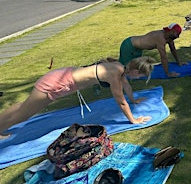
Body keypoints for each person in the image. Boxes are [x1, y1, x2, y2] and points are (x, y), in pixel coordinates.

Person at [0, 56, 156, 139]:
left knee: (23, 107)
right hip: (56, 84)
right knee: (25, 113)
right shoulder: (115, 74)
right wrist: (133, 120)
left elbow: (126, 86)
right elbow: (121, 101)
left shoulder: (119, 67)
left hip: (59, 78)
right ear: (135, 71)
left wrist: (134, 100)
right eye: (142, 75)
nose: (140, 78)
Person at [119, 23, 186, 77]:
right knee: (124, 70)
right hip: (129, 46)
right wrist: (168, 73)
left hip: (137, 49)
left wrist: (179, 62)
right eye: (177, 34)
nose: (177, 37)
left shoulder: (169, 38)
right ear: (171, 31)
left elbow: (173, 50)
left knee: (135, 69)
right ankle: (110, 77)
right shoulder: (160, 38)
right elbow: (163, 57)